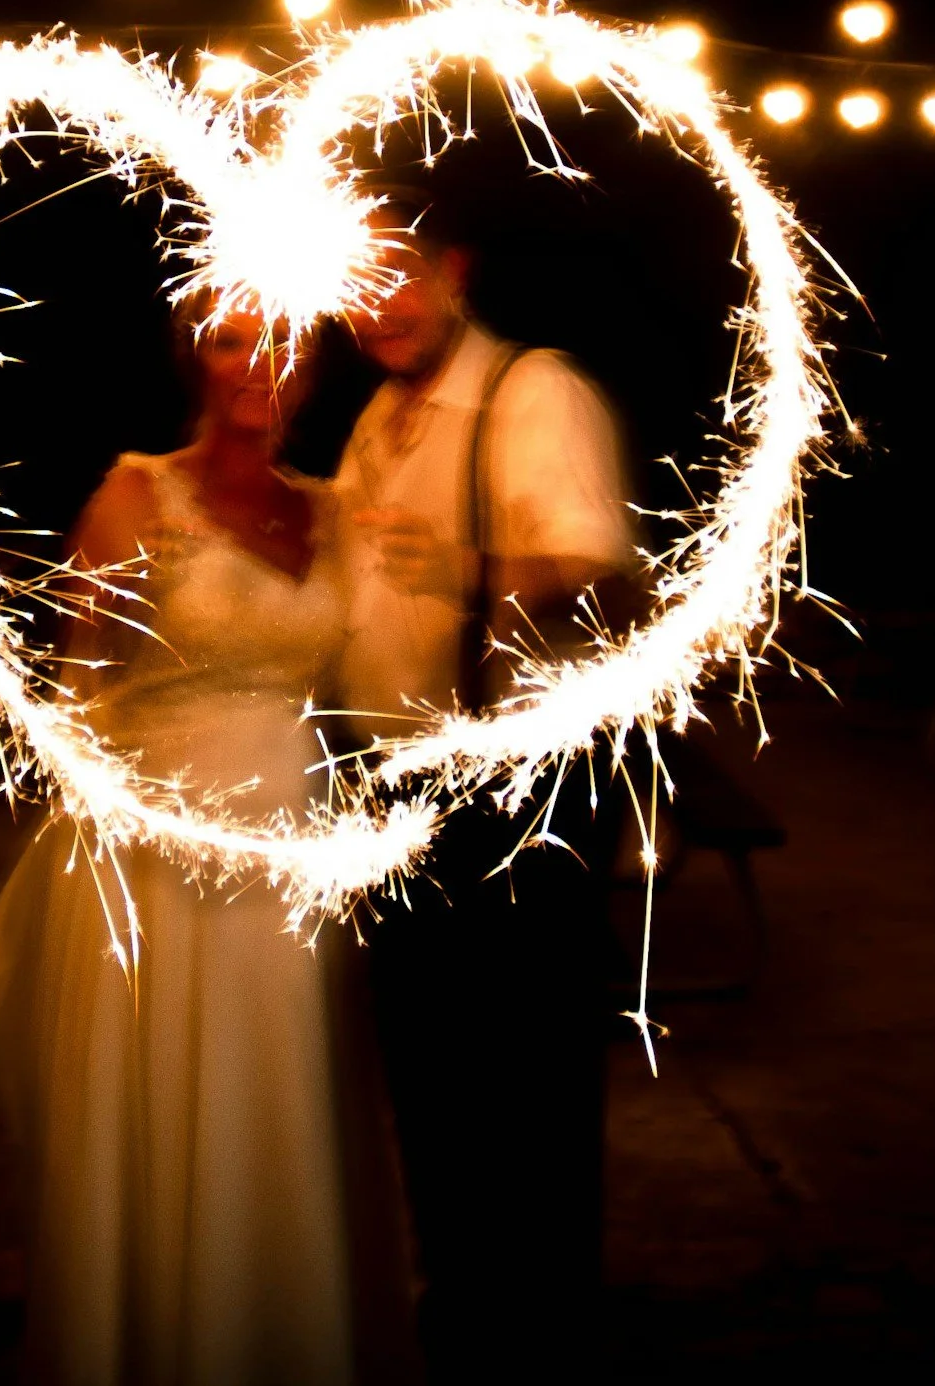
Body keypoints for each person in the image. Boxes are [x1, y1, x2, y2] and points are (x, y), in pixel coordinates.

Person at [0, 301, 418, 1385]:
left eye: (282, 344)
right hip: (166, 859)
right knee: (181, 1111)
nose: (256, 364)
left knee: (287, 1104)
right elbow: (83, 687)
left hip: (297, 853)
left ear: (310, 370)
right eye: (230, 340)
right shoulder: (139, 494)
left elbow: (373, 681)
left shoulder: (334, 507)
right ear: (193, 357)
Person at [334, 193, 637, 1380]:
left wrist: (471, 569)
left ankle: (543, 1337)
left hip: (516, 802)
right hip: (398, 799)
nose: (378, 308)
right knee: (435, 1085)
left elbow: (603, 573)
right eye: (353, 287)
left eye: (395, 275)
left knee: (530, 1098)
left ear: (450, 267)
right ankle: (465, 1317)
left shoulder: (532, 391)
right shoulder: (379, 417)